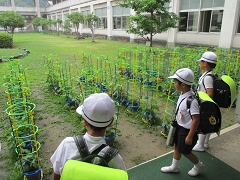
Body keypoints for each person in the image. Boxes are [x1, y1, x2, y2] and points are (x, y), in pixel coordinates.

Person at [50, 93, 126, 180]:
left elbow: (57, 174)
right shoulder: (115, 159)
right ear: (111, 122)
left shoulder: (67, 144)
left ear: (85, 121)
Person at [161, 68, 204, 177]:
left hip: (188, 131)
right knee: (177, 146)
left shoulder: (191, 100)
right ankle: (174, 167)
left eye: (175, 82)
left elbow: (196, 119)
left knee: (186, 152)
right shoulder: (183, 94)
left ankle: (198, 165)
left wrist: (190, 136)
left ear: (183, 84)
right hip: (181, 127)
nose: (174, 84)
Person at [193, 51, 218, 152]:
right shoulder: (209, 74)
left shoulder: (207, 77)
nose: (200, 64)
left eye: (201, 62)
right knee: (208, 122)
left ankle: (200, 145)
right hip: (208, 104)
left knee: (202, 123)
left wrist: (203, 102)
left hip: (205, 104)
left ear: (205, 63)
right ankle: (206, 143)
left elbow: (210, 93)